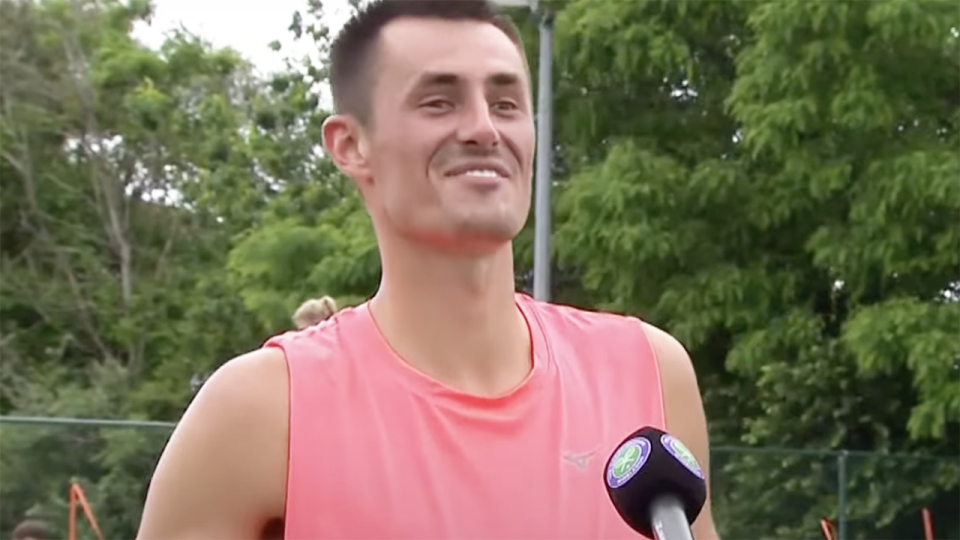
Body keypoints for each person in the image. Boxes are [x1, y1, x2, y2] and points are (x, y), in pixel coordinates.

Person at [135, 0, 722, 539]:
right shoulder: (260, 411)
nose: (484, 129)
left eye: (506, 103)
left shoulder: (648, 372)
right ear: (350, 145)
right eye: (439, 101)